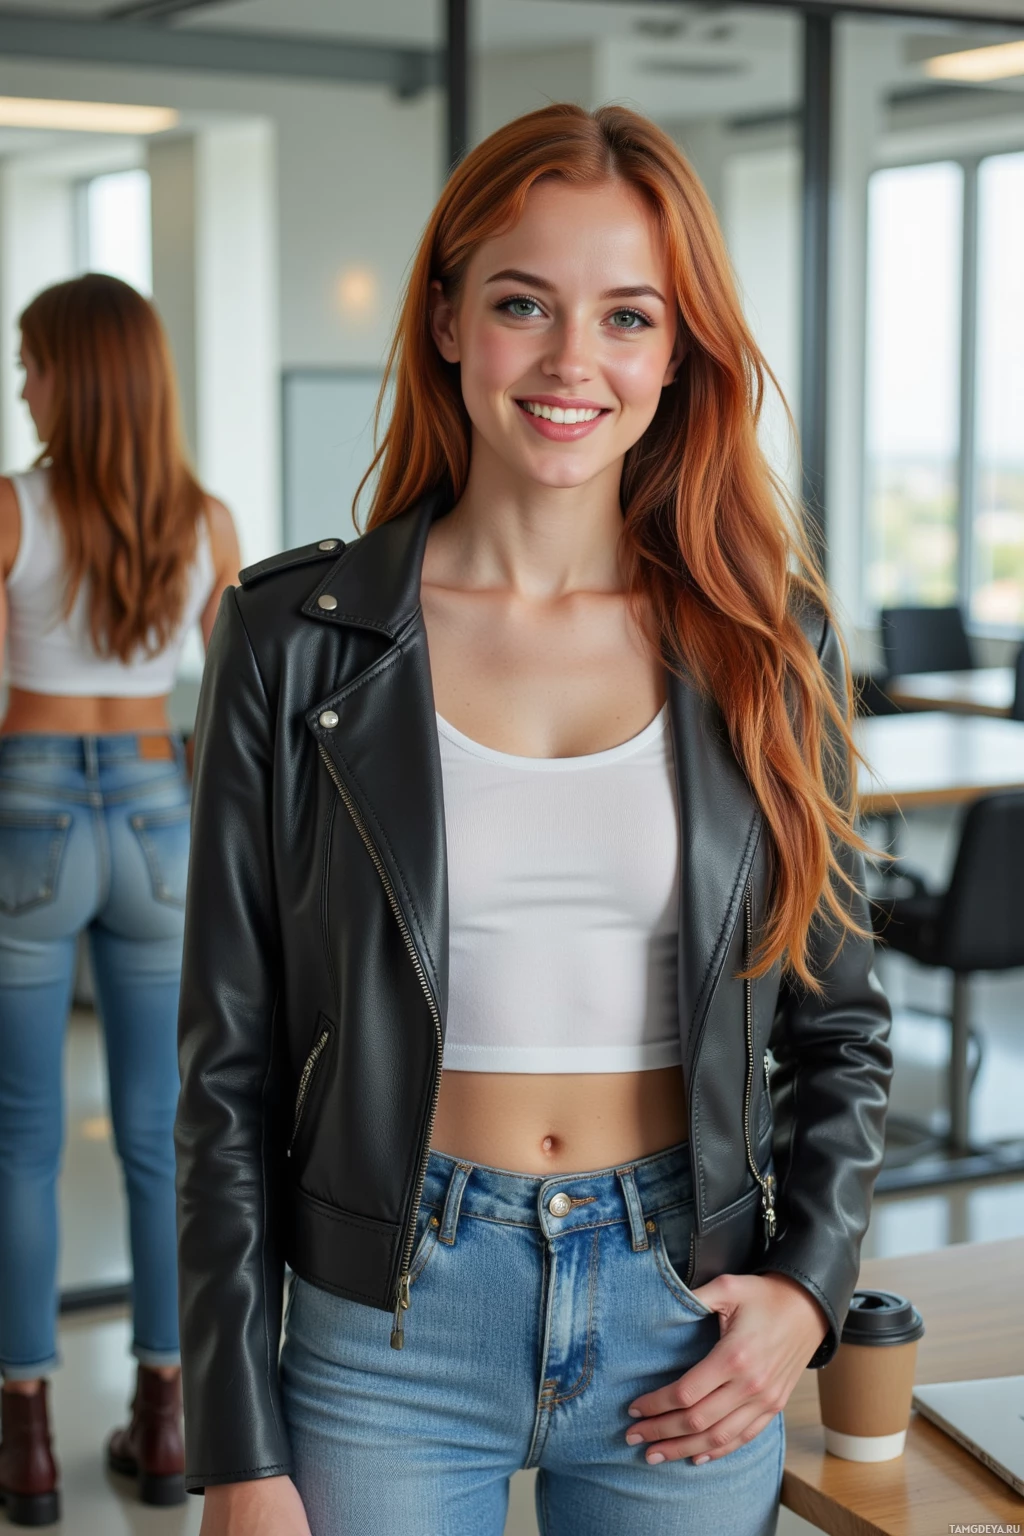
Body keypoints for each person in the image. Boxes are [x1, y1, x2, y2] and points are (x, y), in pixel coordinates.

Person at [176, 104, 892, 1536]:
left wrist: (804, 1296)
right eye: (523, 305)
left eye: (628, 316)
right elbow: (225, 1079)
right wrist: (238, 1454)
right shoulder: (293, 638)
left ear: (676, 352)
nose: (575, 363)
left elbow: (840, 1025)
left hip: (680, 1316)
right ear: (446, 318)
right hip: (386, 1330)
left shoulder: (768, 640)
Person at [0, 272, 240, 1526]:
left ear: (74, 375)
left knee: (20, 1143)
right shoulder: (204, 520)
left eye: (31, 361)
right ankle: (164, 1418)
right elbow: (238, 718)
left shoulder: (8, 510)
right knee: (166, 1140)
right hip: (158, 815)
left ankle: (25, 1436)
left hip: (29, 810)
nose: (22, 383)